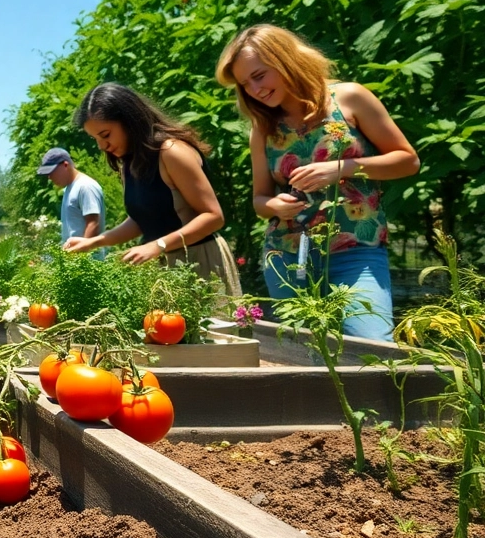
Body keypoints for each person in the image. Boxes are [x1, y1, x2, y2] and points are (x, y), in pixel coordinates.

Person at [217, 24, 420, 341]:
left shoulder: (348, 98)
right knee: (303, 362)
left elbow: (408, 161)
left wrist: (342, 168)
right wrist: (274, 206)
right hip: (286, 257)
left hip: (357, 249)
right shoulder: (263, 128)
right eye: (245, 84)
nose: (254, 89)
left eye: (259, 76)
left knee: (372, 350)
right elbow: (260, 199)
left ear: (285, 60)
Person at [63, 83, 242, 296]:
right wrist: (92, 242)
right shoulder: (129, 162)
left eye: (106, 134)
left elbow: (213, 217)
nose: (103, 146)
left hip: (200, 264)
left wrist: (158, 245)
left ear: (129, 120)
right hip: (162, 269)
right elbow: (142, 219)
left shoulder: (171, 152)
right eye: (96, 139)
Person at [38, 147, 105, 260]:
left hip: (88, 262)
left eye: (51, 172)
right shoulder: (69, 189)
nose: (49, 177)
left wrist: (81, 257)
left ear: (65, 165)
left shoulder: (86, 186)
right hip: (74, 260)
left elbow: (93, 223)